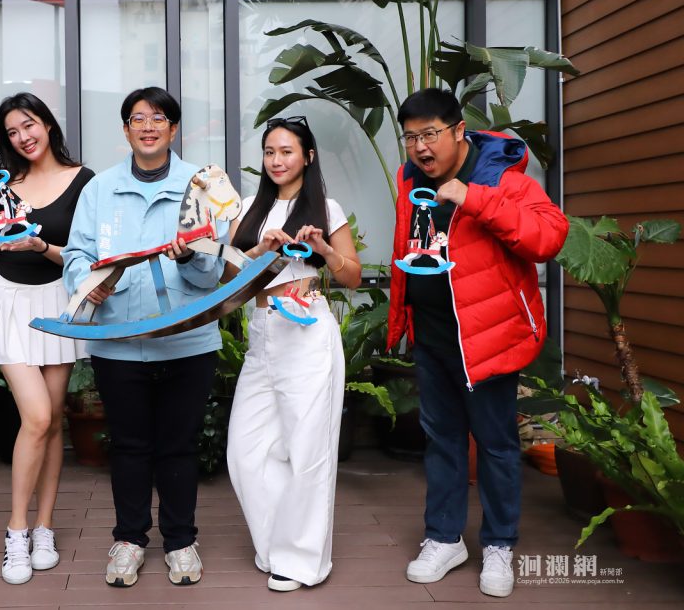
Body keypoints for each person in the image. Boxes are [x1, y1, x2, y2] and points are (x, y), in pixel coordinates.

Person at [387, 89, 568, 598]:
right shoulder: (409, 179)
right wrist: (403, 320)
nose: (420, 147)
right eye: (410, 137)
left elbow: (548, 237)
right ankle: (445, 538)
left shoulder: (501, 178)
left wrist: (475, 199)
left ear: (459, 130)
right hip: (433, 335)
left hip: (486, 337)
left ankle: (499, 543)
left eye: (430, 134)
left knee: (495, 444)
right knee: (442, 440)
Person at [62, 87, 224, 588]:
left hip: (187, 339)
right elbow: (75, 255)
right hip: (118, 340)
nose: (148, 127)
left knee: (179, 445)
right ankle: (129, 539)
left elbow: (212, 273)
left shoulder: (200, 187)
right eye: (138, 118)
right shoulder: (99, 189)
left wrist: (190, 256)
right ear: (126, 129)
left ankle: (180, 541)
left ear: (173, 129)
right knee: (129, 445)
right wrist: (89, 283)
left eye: (158, 118)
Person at [225, 115, 361, 592]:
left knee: (307, 449)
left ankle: (301, 561)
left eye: (286, 151)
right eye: (270, 152)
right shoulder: (249, 208)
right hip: (263, 332)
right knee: (245, 451)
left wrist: (323, 248)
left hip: (307, 331)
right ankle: (275, 545)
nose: (277, 160)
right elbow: (228, 280)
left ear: (308, 156)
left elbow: (352, 276)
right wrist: (259, 252)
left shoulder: (325, 207)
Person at [0, 93, 94, 584]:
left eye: (29, 125)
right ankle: (16, 531)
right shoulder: (3, 183)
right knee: (38, 416)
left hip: (58, 302)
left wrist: (42, 244)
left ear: (47, 124)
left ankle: (45, 527)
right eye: (12, 132)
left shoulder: (83, 180)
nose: (23, 137)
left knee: (53, 420)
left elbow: (85, 257)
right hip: (9, 302)